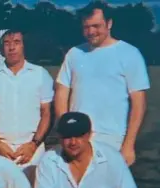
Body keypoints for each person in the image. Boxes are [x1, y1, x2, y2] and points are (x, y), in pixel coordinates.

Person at [55, 1, 150, 166]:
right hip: (77, 139)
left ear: (109, 23)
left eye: (96, 26)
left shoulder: (129, 54)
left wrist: (128, 145)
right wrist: (66, 132)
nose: (91, 31)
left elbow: (138, 103)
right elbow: (61, 93)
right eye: (86, 27)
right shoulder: (74, 54)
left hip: (112, 141)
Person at [0, 28, 53, 181]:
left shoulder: (40, 74)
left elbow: (47, 113)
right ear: (2, 48)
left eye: (16, 42)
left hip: (32, 150)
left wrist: (33, 145)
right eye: (7, 43)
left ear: (24, 46)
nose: (11, 47)